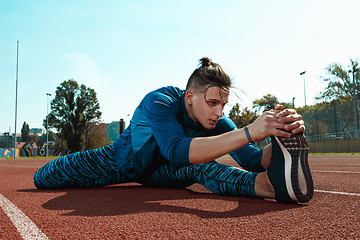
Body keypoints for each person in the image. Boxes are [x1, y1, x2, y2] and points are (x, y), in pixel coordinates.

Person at [34, 57, 313, 204]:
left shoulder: (215, 120)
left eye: (223, 105)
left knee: (199, 166)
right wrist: (249, 131)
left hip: (162, 172)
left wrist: (278, 134)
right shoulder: (159, 101)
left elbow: (251, 160)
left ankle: (267, 185)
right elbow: (175, 149)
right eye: (213, 102)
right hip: (119, 162)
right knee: (43, 177)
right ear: (190, 97)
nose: (219, 111)